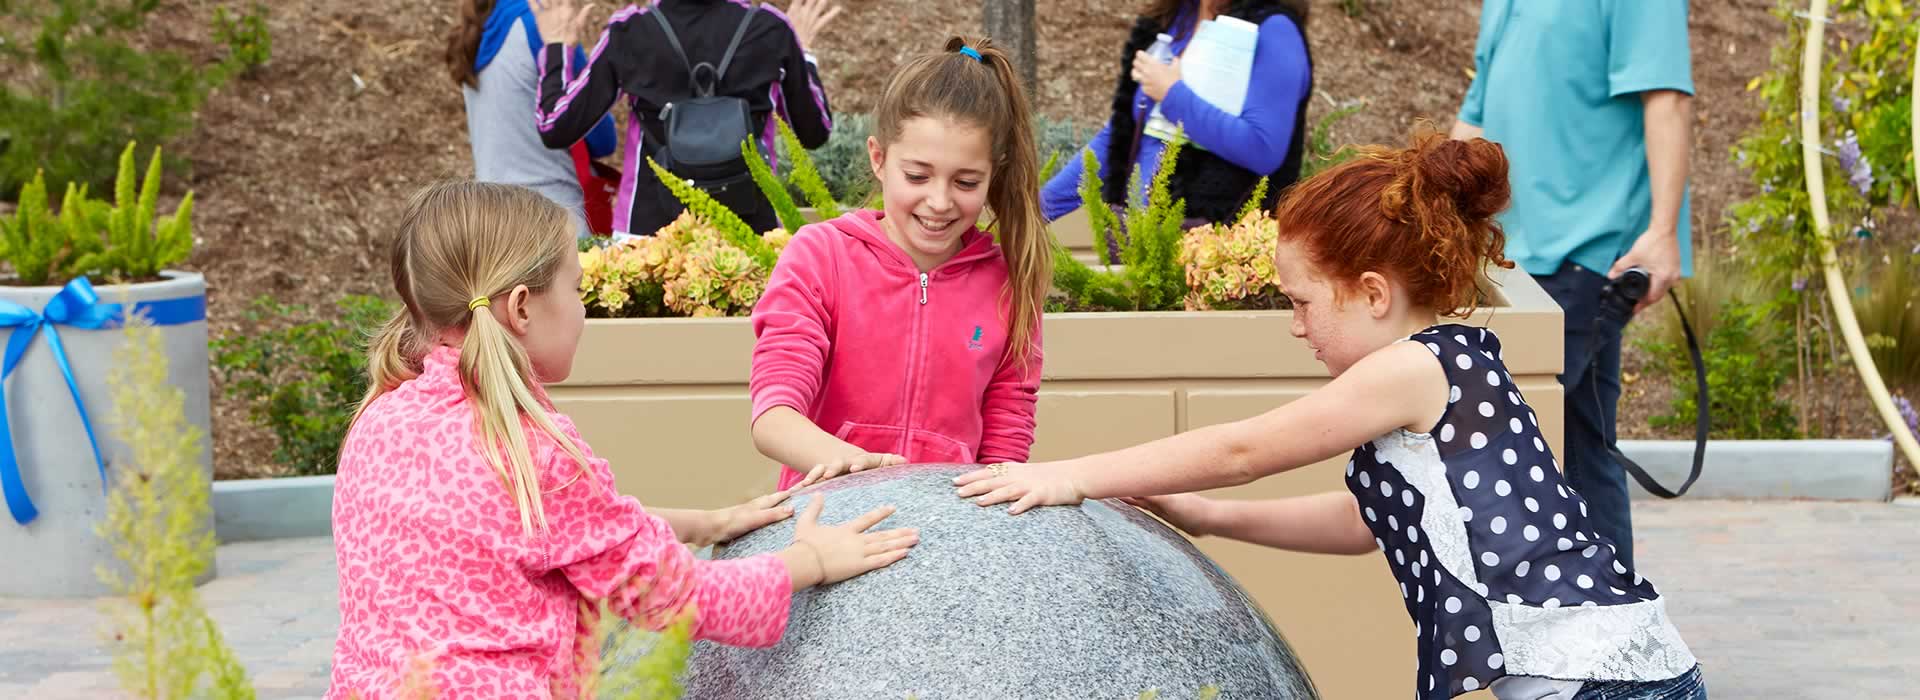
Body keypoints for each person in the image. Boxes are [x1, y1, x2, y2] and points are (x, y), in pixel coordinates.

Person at [954, 133, 1706, 700]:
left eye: (1302, 301)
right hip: (1600, 678)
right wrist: (1210, 517)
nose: (1296, 324)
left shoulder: (1416, 367)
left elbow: (1245, 447)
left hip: (1603, 681)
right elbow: (1362, 524)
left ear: (1374, 294)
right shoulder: (1448, 367)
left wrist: (1070, 476)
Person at [327, 181, 917, 698]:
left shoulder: (379, 420)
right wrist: (810, 560)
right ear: (523, 308)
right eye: (577, 290)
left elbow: (533, 529)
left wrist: (707, 523)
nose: (583, 310)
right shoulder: (534, 451)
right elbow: (674, 597)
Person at [1448, 1, 1695, 569]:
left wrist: (1661, 233)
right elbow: (1475, 121)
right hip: (1507, 260)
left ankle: (1605, 639)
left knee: (1534, 451)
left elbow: (1668, 99)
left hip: (1587, 255)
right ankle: (1617, 641)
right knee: (1578, 445)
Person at [747, 38, 1052, 492]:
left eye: (966, 181)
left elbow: (1006, 441)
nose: (940, 201)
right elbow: (774, 417)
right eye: (917, 176)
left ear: (994, 175)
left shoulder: (1008, 281)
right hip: (829, 524)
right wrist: (860, 468)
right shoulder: (820, 255)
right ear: (878, 158)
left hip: (952, 530)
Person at [530, 0, 840, 237]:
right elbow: (815, 131)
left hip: (648, 236)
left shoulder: (631, 31)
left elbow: (555, 127)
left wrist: (557, 47)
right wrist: (804, 54)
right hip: (751, 236)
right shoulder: (770, 30)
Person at [1039, 0, 1313, 228]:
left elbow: (1263, 148)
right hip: (1137, 241)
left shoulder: (1276, 30)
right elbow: (1123, 134)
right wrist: (1037, 210)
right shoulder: (1177, 16)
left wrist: (1172, 94)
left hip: (1211, 255)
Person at [447, 0, 620, 236]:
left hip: (492, 222)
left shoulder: (476, 30)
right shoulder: (545, 27)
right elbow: (603, 140)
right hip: (555, 220)